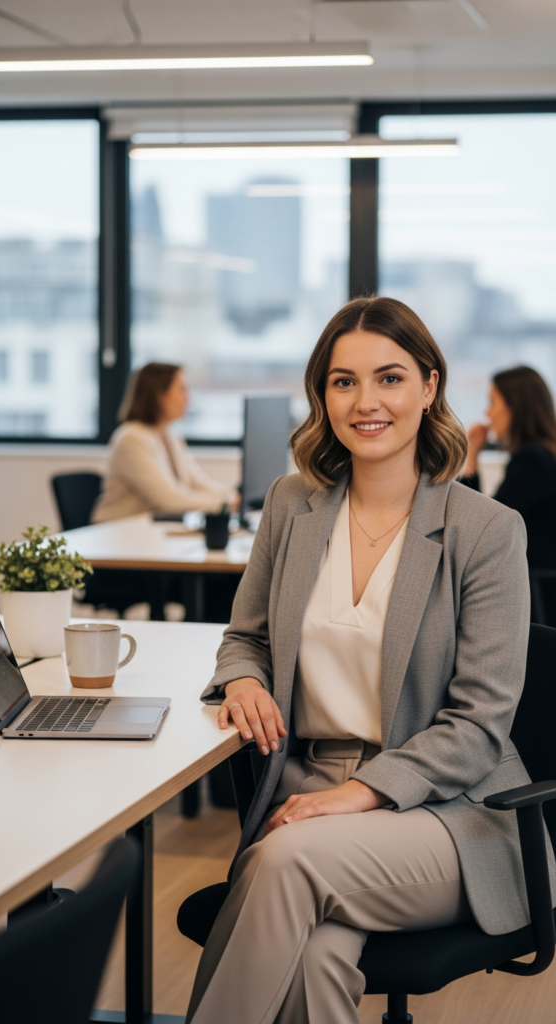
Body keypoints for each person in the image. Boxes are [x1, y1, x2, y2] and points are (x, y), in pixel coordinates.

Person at [185, 297, 556, 1024]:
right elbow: (245, 636)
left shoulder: (485, 530)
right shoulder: (291, 505)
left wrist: (360, 793)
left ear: (428, 385)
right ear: (322, 396)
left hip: (452, 813)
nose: (365, 402)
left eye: (389, 378)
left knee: (285, 860)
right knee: (316, 954)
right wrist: (244, 678)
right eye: (343, 381)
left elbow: (478, 726)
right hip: (309, 788)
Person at [462, 365, 556, 624]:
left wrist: (471, 459)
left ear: (515, 406)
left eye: (493, 403)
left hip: (540, 598)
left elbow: (486, 527)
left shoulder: (532, 459)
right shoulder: (545, 454)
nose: (487, 413)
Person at [93, 362, 238, 523]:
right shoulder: (131, 439)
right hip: (116, 530)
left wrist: (231, 496)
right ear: (160, 396)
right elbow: (169, 499)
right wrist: (224, 504)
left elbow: (197, 483)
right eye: (182, 390)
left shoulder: (170, 436)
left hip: (148, 529)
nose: (188, 399)